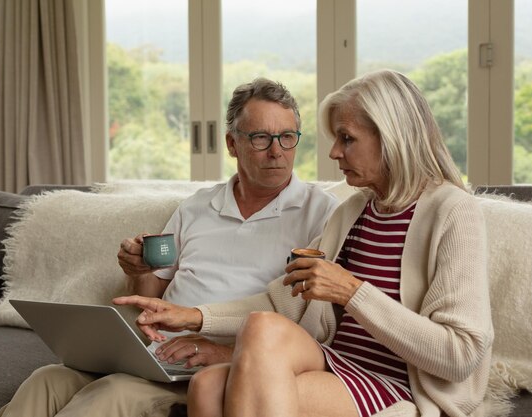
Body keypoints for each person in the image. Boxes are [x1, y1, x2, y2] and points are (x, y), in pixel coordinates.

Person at [118, 69, 494, 417]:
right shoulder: (354, 211)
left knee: (223, 380)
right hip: (338, 362)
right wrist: (192, 316)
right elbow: (281, 302)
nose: (333, 153)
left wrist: (352, 291)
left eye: (346, 139)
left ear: (390, 137)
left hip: (399, 382)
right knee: (209, 380)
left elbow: (459, 356)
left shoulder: (453, 211)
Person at [0, 78, 340, 417]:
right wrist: (138, 271)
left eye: (287, 136)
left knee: (113, 395)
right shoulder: (197, 207)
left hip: (211, 368)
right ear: (232, 143)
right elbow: (152, 294)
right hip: (157, 354)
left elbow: (314, 326)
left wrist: (223, 353)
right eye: (261, 137)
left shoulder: (321, 213)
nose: (277, 150)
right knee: (45, 380)